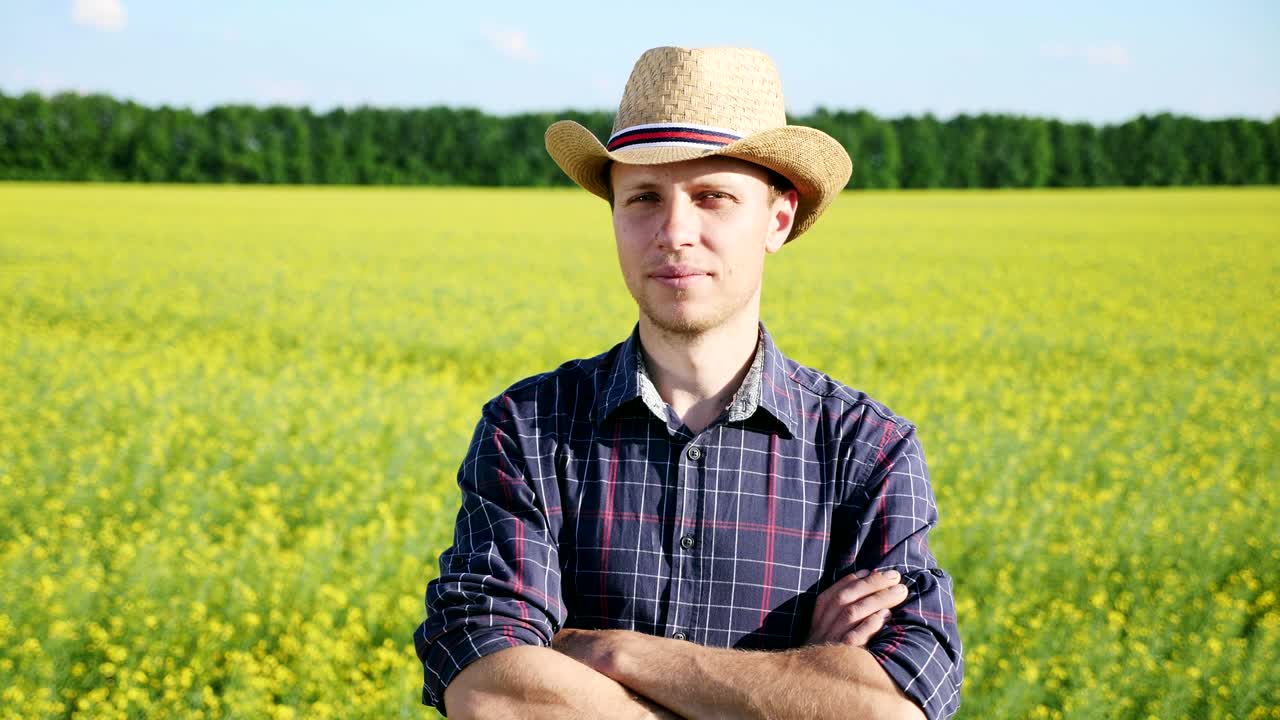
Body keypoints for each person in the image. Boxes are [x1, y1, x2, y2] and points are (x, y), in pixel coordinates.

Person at [414, 46, 963, 720]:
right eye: (644, 198)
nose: (675, 233)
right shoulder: (528, 428)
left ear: (778, 219)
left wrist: (611, 654)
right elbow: (488, 688)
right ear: (612, 215)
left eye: (713, 198)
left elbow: (893, 711)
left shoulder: (866, 451)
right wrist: (797, 684)